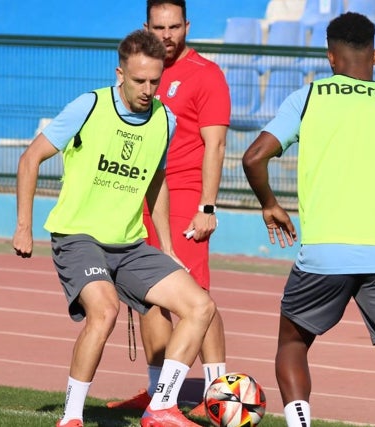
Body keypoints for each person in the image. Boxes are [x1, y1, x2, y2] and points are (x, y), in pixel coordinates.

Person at [241, 12, 375, 427]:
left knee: (292, 343)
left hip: (324, 255)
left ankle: (299, 422)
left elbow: (252, 157)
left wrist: (269, 203)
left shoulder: (309, 97)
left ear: (331, 59)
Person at [13, 29, 213, 427]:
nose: (148, 89)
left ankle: (162, 407)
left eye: (155, 81)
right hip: (79, 237)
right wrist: (24, 225)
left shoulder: (164, 120)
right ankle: (71, 417)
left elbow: (156, 185)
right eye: (139, 80)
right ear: (119, 73)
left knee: (200, 306)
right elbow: (30, 158)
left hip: (130, 245)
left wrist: (169, 247)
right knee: (103, 310)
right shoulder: (89, 106)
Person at [107, 0, 231, 417]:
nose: (167, 35)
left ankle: (218, 394)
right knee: (148, 298)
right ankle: (157, 390)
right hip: (140, 198)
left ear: (187, 25)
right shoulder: (143, 70)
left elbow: (215, 144)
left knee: (197, 298)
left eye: (174, 26)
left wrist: (207, 206)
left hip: (183, 200)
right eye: (159, 27)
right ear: (147, 26)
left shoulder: (206, 75)